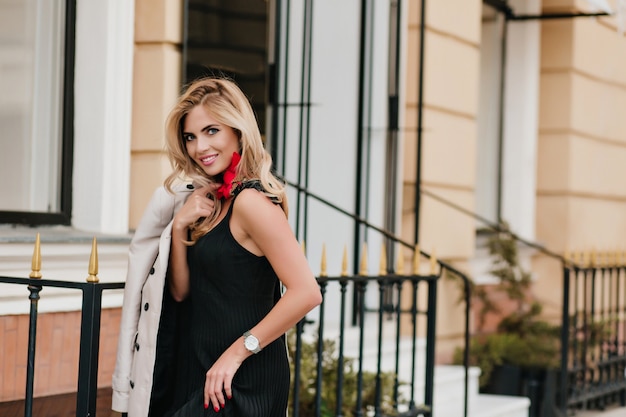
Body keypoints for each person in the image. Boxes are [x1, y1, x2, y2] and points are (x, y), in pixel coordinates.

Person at [112, 77, 323, 417]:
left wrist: (237, 353)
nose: (200, 147)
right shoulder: (209, 201)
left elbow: (307, 292)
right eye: (191, 137)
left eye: (212, 131)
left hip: (240, 377)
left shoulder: (251, 202)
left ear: (237, 131)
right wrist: (180, 225)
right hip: (201, 369)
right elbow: (181, 292)